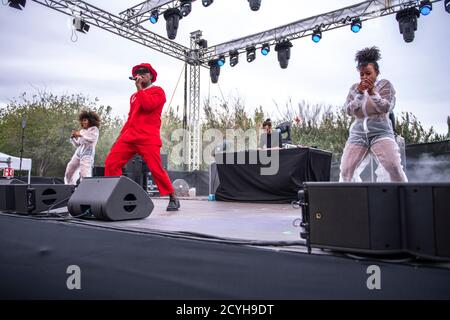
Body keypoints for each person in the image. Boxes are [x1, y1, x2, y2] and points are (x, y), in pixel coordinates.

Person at [104, 62, 180, 211]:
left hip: (147, 137)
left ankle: (173, 197)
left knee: (156, 168)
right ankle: (114, 195)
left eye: (145, 72)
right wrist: (119, 138)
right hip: (130, 136)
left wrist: (139, 89)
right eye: (138, 72)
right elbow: (130, 118)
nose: (141, 74)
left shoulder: (158, 91)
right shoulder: (133, 97)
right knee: (111, 162)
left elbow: (148, 106)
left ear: (151, 76)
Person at [340, 47, 407, 182]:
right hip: (358, 135)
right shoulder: (354, 89)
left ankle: (399, 197)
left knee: (393, 166)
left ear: (376, 72)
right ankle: (352, 199)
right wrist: (359, 94)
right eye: (362, 74)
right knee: (346, 170)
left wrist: (372, 93)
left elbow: (387, 107)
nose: (365, 77)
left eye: (368, 73)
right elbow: (348, 110)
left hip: (381, 132)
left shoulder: (384, 85)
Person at [64, 110, 100, 185]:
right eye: (82, 120)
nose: (83, 122)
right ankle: (70, 187)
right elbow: (78, 144)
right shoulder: (82, 131)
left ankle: (86, 190)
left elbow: (90, 139)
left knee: (85, 175)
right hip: (78, 153)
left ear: (90, 120)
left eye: (85, 120)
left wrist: (80, 135)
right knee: (69, 170)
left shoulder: (94, 129)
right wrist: (73, 138)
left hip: (87, 154)